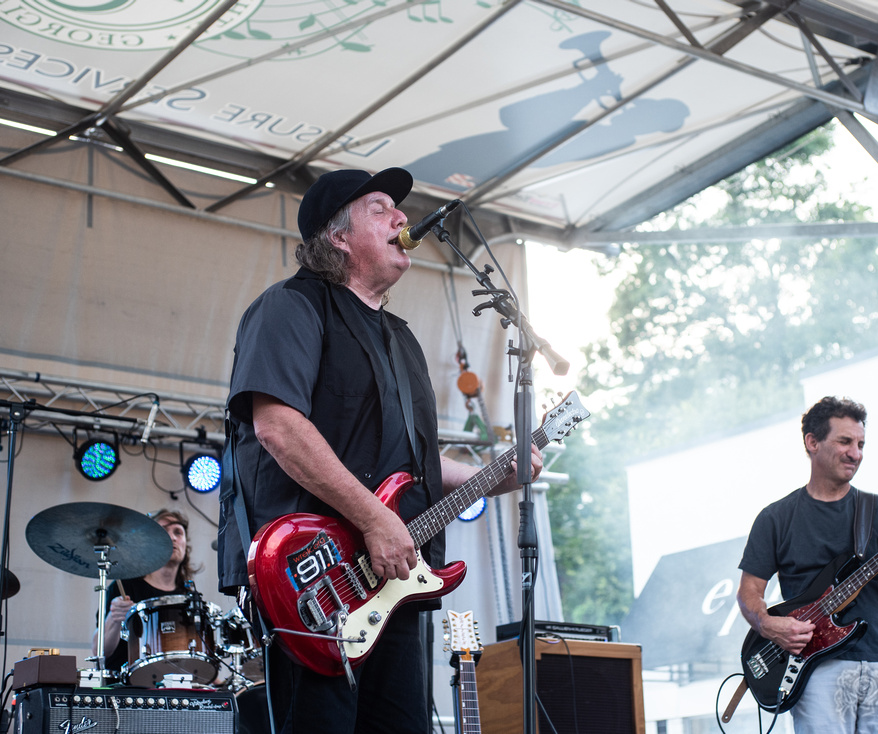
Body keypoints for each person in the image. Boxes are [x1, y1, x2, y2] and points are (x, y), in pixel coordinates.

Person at [217, 167, 543, 734]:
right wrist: (374, 519)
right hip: (310, 584)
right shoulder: (291, 306)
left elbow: (412, 465)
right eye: (379, 208)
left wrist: (493, 476)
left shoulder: (404, 340)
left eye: (399, 209)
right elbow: (278, 427)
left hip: (392, 585)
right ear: (338, 237)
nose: (401, 218)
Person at [737, 396, 878, 733]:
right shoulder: (776, 518)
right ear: (812, 442)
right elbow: (748, 593)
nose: (855, 453)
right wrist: (769, 625)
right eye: (845, 441)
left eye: (860, 444)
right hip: (817, 667)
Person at [93, 508, 202, 674]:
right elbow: (98, 651)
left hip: (173, 687)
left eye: (178, 532)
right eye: (164, 531)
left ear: (185, 544)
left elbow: (195, 658)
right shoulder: (124, 586)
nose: (172, 537)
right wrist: (114, 619)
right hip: (124, 688)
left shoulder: (188, 596)